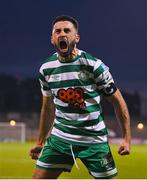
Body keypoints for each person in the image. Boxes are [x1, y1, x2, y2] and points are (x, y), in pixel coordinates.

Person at [30, 15, 131, 179]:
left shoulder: (93, 65)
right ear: (52, 38)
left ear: (76, 37)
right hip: (60, 139)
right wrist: (40, 142)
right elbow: (48, 108)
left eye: (67, 30)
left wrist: (127, 138)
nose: (62, 34)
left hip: (94, 141)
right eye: (57, 31)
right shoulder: (46, 69)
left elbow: (118, 102)